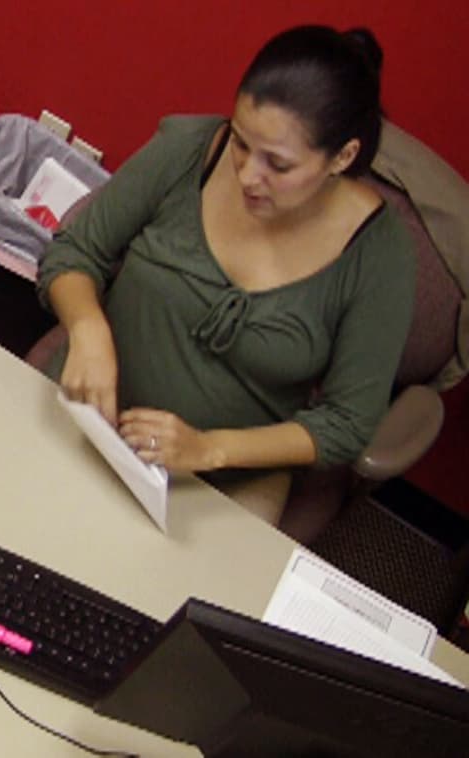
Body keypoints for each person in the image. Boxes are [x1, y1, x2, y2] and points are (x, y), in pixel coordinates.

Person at [36, 25, 415, 527]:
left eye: (278, 164)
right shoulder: (189, 148)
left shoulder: (380, 255)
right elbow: (74, 252)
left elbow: (346, 423)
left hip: (222, 478)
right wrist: (88, 329)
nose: (247, 175)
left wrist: (208, 448)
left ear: (342, 157)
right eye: (240, 141)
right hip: (90, 411)